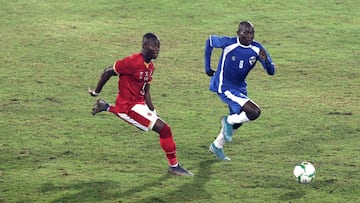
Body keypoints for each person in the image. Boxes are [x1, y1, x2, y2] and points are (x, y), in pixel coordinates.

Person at [88, 32, 193, 176]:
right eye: (153, 46)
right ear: (144, 46)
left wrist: (153, 110)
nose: (157, 49)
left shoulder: (150, 67)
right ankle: (174, 167)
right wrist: (96, 91)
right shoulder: (132, 62)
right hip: (128, 106)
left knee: (151, 128)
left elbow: (146, 91)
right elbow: (108, 71)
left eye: (158, 46)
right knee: (165, 129)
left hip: (139, 104)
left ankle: (105, 106)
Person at [204, 21, 276, 161]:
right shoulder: (229, 43)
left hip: (239, 87)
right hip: (224, 86)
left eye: (252, 33)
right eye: (246, 32)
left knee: (240, 119)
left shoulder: (257, 48)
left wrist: (266, 61)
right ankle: (227, 120)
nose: (249, 36)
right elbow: (210, 41)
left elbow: (271, 71)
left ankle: (216, 145)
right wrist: (207, 67)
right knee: (254, 112)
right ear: (238, 33)